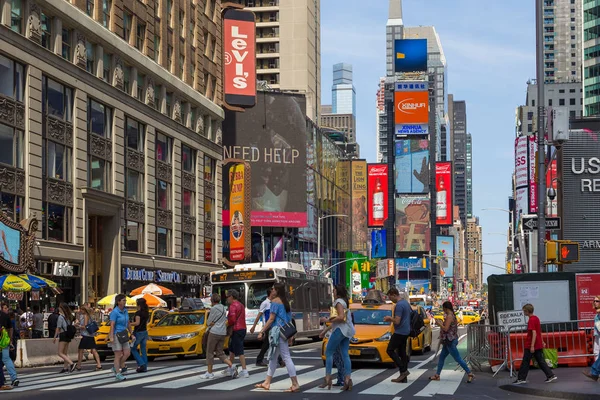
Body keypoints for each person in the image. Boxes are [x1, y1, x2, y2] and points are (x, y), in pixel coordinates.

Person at [254, 283, 300, 392]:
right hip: (285, 332)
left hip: (277, 332)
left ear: (277, 291)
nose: (272, 290)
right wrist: (290, 335)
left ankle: (295, 383)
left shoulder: (274, 302)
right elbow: (289, 319)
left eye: (273, 289)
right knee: (273, 357)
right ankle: (267, 382)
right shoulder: (285, 302)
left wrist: (261, 331)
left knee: (286, 357)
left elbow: (271, 319)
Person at [318, 284, 354, 391]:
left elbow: (340, 318)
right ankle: (347, 380)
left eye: (333, 290)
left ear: (337, 292)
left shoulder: (338, 302)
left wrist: (326, 320)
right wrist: (324, 331)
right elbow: (338, 321)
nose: (332, 292)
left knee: (329, 352)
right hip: (347, 330)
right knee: (345, 354)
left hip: (340, 331)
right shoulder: (345, 302)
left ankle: (327, 378)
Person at [430, 301, 474, 383]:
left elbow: (446, 328)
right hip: (449, 340)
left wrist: (439, 323)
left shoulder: (449, 316)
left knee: (458, 358)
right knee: (442, 358)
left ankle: (469, 373)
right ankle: (437, 375)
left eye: (443, 308)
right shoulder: (452, 315)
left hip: (450, 341)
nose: (443, 310)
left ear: (446, 308)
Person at [513, 303, 556, 384]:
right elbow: (539, 331)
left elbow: (534, 333)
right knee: (541, 361)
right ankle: (550, 375)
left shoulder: (531, 320)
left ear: (527, 311)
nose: (523, 313)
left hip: (531, 345)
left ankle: (521, 378)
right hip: (538, 344)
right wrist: (542, 341)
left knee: (525, 361)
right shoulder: (536, 318)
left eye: (524, 311)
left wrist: (532, 345)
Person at [202, 293, 234, 379]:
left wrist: (212, 323)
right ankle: (231, 366)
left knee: (209, 352)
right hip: (222, 332)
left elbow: (209, 322)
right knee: (220, 352)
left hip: (214, 332)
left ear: (212, 301)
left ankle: (209, 372)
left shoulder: (213, 309)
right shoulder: (223, 308)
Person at [250, 287, 283, 367]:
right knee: (270, 343)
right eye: (273, 292)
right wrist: (254, 326)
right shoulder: (265, 303)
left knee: (270, 343)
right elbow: (259, 315)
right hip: (268, 327)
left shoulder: (275, 302)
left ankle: (261, 360)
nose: (275, 293)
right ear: (270, 293)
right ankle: (279, 360)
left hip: (275, 326)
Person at [384, 288, 412, 383]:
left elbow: (397, 320)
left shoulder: (399, 305)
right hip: (406, 331)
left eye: (390, 297)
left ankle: (403, 371)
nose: (390, 299)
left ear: (394, 295)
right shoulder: (406, 303)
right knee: (402, 353)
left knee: (390, 350)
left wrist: (389, 318)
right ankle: (403, 377)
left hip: (400, 331)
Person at [224, 289, 249, 378]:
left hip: (236, 329)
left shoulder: (233, 306)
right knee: (232, 349)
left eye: (227, 296)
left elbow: (232, 320)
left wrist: (227, 324)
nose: (227, 299)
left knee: (239, 350)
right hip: (243, 328)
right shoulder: (241, 305)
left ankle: (244, 370)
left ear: (231, 296)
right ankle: (230, 367)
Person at [109, 294, 133, 381]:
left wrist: (131, 333)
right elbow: (112, 325)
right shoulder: (114, 312)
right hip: (117, 334)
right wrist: (111, 336)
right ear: (118, 302)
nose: (125, 302)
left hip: (124, 333)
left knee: (127, 353)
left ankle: (116, 366)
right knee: (118, 354)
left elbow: (128, 323)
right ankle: (118, 373)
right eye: (123, 300)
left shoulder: (125, 311)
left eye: (125, 300)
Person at [75, 305, 102, 371]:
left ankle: (79, 365)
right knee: (93, 350)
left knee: (81, 350)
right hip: (90, 335)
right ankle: (99, 365)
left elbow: (85, 326)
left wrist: (78, 326)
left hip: (86, 335)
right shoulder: (89, 316)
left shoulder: (85, 316)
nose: (80, 311)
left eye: (81, 309)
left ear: (84, 310)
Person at [53, 303, 76, 373]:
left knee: (60, 353)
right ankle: (65, 367)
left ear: (62, 308)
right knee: (65, 353)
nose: (58, 308)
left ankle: (71, 363)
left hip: (63, 334)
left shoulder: (60, 317)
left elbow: (58, 328)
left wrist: (54, 337)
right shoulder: (69, 316)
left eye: (60, 307)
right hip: (68, 335)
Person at [130, 298, 149, 373]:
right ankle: (145, 366)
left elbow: (137, 323)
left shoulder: (138, 313)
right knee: (143, 349)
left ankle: (141, 364)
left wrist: (129, 324)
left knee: (133, 348)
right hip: (145, 331)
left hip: (138, 332)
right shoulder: (146, 312)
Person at [584, 296, 600, 381]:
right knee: (597, 353)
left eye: (597, 301)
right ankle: (595, 372)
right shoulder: (597, 314)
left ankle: (595, 372)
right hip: (598, 336)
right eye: (594, 301)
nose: (595, 302)